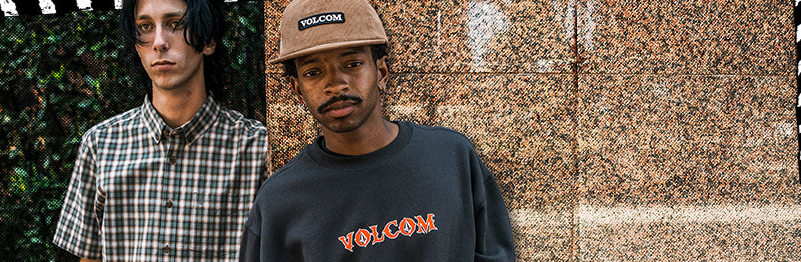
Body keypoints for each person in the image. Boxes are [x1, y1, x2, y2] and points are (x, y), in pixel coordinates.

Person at [239, 0, 515, 260]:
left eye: (352, 64)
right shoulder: (279, 202)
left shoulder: (452, 157)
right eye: (313, 72)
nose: (336, 84)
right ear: (297, 89)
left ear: (382, 72)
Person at [52, 0, 268, 260]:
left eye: (175, 24)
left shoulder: (257, 149)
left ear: (208, 40)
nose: (158, 42)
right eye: (144, 27)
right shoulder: (100, 144)